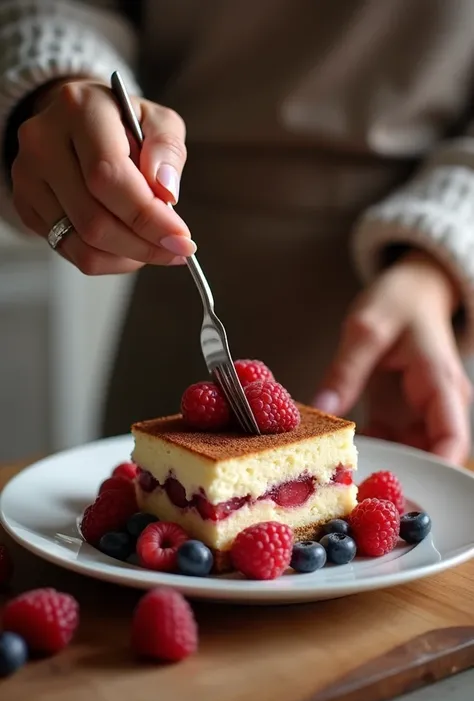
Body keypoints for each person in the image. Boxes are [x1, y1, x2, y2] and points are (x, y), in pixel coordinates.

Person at [1, 0, 473, 463]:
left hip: (416, 324)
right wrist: (60, 90)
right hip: (178, 280)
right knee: (126, 524)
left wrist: (435, 265)